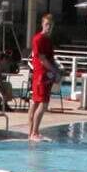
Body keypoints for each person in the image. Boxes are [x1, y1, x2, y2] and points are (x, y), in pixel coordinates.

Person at [28, 12, 57, 142]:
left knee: (35, 103)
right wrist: (55, 71)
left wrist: (57, 70)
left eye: (50, 25)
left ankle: (32, 133)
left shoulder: (48, 40)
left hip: (45, 75)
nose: (48, 27)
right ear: (42, 24)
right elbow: (42, 59)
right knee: (42, 104)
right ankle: (34, 132)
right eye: (46, 25)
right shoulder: (38, 39)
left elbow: (50, 58)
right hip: (41, 75)